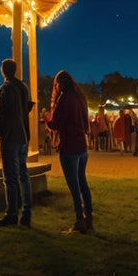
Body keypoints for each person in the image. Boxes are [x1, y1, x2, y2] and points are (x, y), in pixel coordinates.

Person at [47, 70, 93, 234]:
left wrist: (46, 120)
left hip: (69, 147)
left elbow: (56, 123)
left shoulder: (64, 99)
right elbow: (85, 124)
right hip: (82, 147)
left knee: (74, 187)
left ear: (59, 84)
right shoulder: (80, 98)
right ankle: (89, 218)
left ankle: (79, 219)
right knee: (83, 183)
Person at [0, 59, 33, 228]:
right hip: (22, 136)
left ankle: (11, 214)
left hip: (10, 137)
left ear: (3, 71)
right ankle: (27, 213)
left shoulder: (5, 88)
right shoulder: (23, 87)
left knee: (10, 178)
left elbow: (1, 113)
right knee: (23, 175)